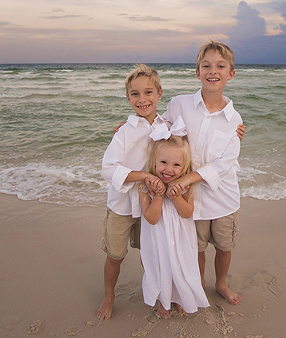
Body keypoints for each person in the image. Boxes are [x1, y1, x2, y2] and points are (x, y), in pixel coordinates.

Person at [162, 40, 243, 305]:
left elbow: (224, 163)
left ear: (231, 73)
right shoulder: (179, 105)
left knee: (224, 246)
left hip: (223, 198)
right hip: (191, 199)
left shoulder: (235, 120)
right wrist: (133, 125)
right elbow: (159, 130)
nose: (213, 71)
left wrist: (186, 178)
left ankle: (220, 284)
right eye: (206, 65)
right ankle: (196, 288)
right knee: (195, 248)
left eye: (221, 66)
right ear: (197, 72)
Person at [97, 64, 167, 320]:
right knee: (115, 255)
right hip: (122, 205)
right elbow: (108, 169)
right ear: (128, 98)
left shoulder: (167, 126)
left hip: (150, 205)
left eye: (148, 92)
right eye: (135, 94)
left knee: (150, 255)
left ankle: (159, 295)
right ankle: (108, 295)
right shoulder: (124, 132)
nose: (142, 99)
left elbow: (189, 142)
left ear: (159, 94)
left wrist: (235, 132)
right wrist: (145, 176)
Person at [138, 119, 210, 318]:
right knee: (161, 266)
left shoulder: (185, 186)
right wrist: (159, 195)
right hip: (158, 240)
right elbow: (152, 219)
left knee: (181, 266)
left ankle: (180, 298)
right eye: (163, 163)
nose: (169, 169)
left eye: (176, 165)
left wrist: (176, 195)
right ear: (154, 161)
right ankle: (164, 300)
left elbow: (187, 213)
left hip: (180, 239)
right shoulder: (145, 188)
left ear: (184, 167)